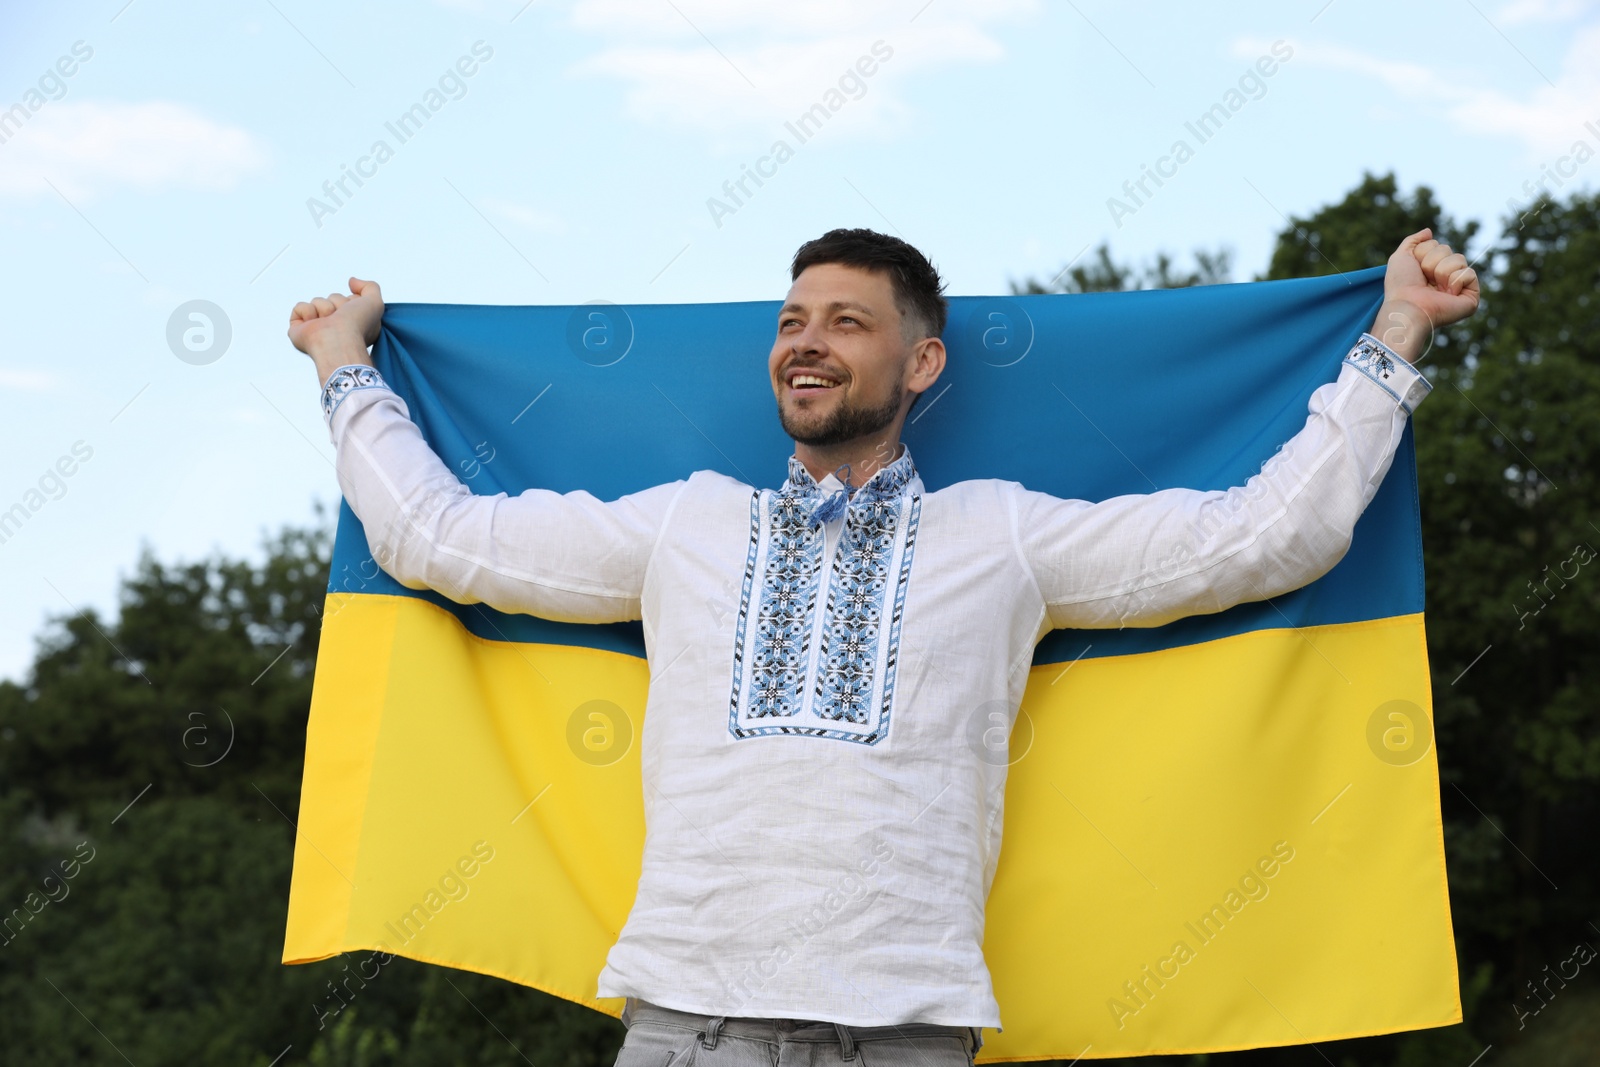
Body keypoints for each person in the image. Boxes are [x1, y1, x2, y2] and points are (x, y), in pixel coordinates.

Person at [287, 227, 1478, 1066]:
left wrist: (1396, 329)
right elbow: (435, 537)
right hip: (687, 1021)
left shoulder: (1001, 532)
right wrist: (347, 364)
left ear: (920, 363)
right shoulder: (686, 522)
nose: (806, 342)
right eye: (792, 321)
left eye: (846, 322)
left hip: (907, 1028)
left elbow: (1265, 538)